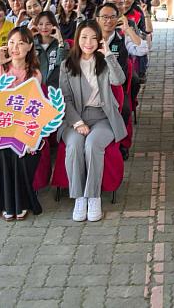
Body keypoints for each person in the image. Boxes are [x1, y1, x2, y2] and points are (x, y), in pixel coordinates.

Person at [58, 20, 126, 222]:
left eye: (94, 38)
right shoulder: (67, 65)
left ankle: (93, 196)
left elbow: (119, 80)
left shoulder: (105, 62)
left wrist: (108, 55)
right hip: (74, 119)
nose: (89, 42)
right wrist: (77, 123)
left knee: (93, 144)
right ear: (77, 38)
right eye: (84, 37)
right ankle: (79, 197)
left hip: (103, 118)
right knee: (74, 145)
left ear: (100, 40)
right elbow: (65, 98)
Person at [0, 26, 44, 220]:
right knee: (1, 151)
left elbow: (34, 107)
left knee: (18, 152)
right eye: (12, 42)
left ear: (30, 46)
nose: (15, 47)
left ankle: (20, 202)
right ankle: (6, 203)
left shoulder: (34, 74)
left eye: (21, 43)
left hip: (21, 124)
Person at [33, 11, 68, 88]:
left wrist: (60, 42)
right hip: (36, 88)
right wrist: (29, 39)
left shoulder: (63, 44)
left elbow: (61, 64)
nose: (44, 27)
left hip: (55, 89)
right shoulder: (32, 45)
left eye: (48, 24)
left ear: (54, 25)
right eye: (40, 24)